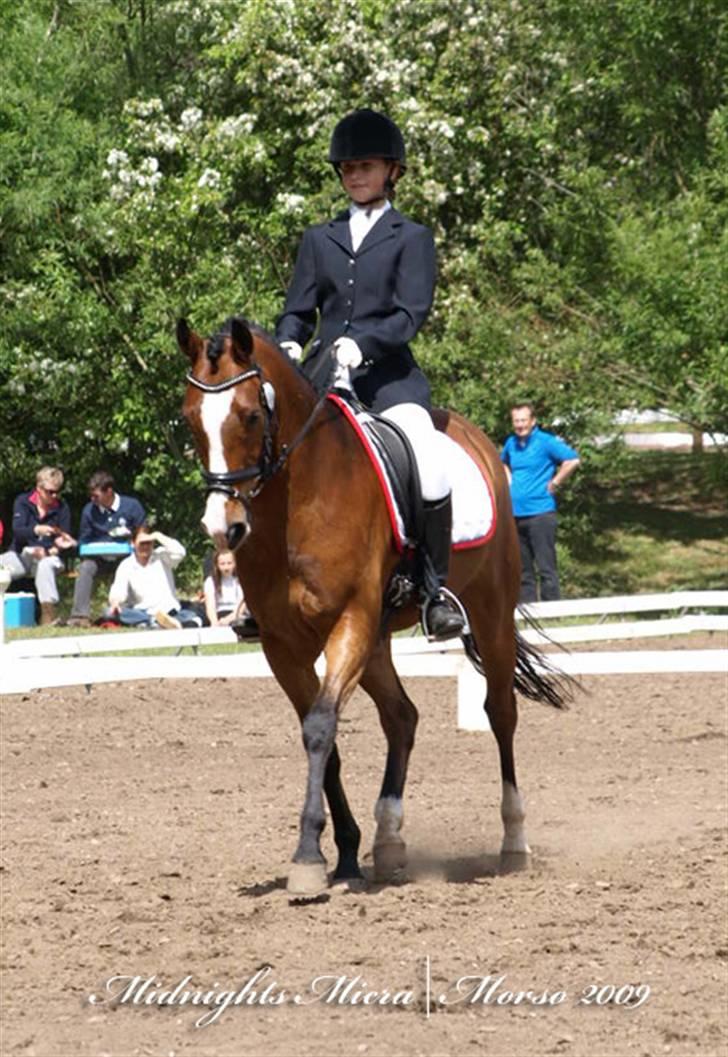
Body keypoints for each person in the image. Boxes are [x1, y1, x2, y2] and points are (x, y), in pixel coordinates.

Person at [275, 107, 463, 640]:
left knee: (429, 459)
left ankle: (435, 591)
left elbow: (410, 313)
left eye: (365, 166)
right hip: (321, 379)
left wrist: (364, 344)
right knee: (269, 453)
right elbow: (299, 307)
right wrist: (290, 336)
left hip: (389, 380)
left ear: (392, 171)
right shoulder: (319, 237)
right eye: (347, 168)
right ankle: (261, 587)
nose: (355, 176)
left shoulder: (412, 236)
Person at [501, 402, 580, 603]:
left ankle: (551, 611)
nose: (520, 425)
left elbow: (572, 460)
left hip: (540, 513)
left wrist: (555, 482)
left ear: (533, 421)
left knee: (546, 567)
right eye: (516, 421)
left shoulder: (545, 442)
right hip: (516, 514)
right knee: (523, 569)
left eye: (523, 420)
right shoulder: (511, 443)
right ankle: (529, 612)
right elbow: (503, 463)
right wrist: (509, 483)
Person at [67, 470, 146, 627]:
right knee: (85, 567)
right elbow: (84, 540)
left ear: (109, 491)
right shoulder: (89, 510)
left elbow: (143, 534)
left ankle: (133, 611)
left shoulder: (131, 506)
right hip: (99, 559)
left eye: (96, 496)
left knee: (135, 568)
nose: (92, 499)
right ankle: (79, 615)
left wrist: (135, 544)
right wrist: (79, 545)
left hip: (126, 558)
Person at [0, 467, 77, 625]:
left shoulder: (62, 508)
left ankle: (48, 615)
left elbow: (64, 539)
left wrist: (57, 547)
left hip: (51, 557)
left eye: (57, 492)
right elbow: (18, 531)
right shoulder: (23, 502)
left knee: (45, 565)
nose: (54, 496)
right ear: (39, 488)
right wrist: (36, 530)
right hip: (22, 555)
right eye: (50, 492)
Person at [107, 526, 202, 629]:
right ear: (133, 543)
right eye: (142, 543)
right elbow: (119, 589)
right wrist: (115, 601)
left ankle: (159, 623)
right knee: (110, 612)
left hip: (169, 611)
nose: (145, 547)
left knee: (193, 614)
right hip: (144, 613)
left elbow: (180, 552)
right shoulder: (126, 565)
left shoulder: (162, 556)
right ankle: (155, 621)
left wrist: (157, 535)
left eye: (148, 543)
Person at [203, 549, 246, 627]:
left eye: (229, 563)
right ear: (217, 565)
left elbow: (242, 605)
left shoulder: (241, 580)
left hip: (237, 614)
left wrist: (228, 619)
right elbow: (210, 605)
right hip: (219, 613)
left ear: (235, 563)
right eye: (222, 564)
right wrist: (214, 622)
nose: (226, 567)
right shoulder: (210, 581)